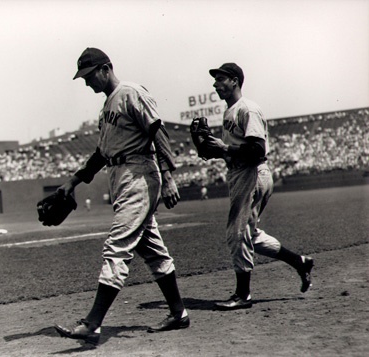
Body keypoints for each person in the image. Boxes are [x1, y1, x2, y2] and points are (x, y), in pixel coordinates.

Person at [54, 48, 189, 344]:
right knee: (151, 250)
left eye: (90, 76)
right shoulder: (106, 109)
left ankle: (92, 323)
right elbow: (102, 154)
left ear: (106, 68)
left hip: (139, 172)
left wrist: (168, 176)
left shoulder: (131, 92)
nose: (87, 83)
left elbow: (158, 132)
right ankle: (179, 313)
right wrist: (73, 181)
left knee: (116, 245)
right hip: (121, 176)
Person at [203, 63, 314, 311]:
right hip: (244, 173)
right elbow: (236, 151)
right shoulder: (230, 111)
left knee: (237, 233)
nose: (215, 84)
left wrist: (224, 149)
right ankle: (300, 262)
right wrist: (216, 150)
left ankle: (243, 295)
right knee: (250, 235)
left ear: (234, 81)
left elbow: (256, 150)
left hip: (252, 173)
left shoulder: (248, 109)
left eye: (220, 79)